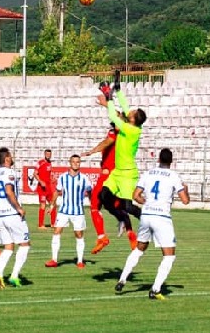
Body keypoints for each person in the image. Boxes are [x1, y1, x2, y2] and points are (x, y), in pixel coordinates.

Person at [114, 148, 190, 300]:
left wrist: (147, 203)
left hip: (146, 215)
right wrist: (185, 189)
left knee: (139, 248)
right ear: (171, 161)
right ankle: (155, 289)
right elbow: (185, 201)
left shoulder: (148, 173)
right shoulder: (174, 176)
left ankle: (122, 279)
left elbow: (136, 195)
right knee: (169, 256)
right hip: (162, 218)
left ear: (158, 160)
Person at [97, 82, 147, 250]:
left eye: (131, 113)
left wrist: (109, 98)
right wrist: (118, 90)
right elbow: (125, 109)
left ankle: (147, 218)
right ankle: (121, 220)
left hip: (127, 174)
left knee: (127, 206)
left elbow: (113, 116)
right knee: (104, 197)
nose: (129, 112)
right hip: (118, 172)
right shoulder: (133, 125)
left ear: (133, 120)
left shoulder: (131, 130)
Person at [0, 147, 30, 289]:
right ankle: (14, 276)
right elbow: (9, 191)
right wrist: (18, 208)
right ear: (7, 158)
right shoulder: (9, 172)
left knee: (8, 247)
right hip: (11, 214)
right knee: (25, 244)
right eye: (10, 156)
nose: (12, 158)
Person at [45, 155, 93, 269]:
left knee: (79, 234)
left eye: (78, 162)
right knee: (56, 231)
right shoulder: (63, 177)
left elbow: (90, 192)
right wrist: (52, 205)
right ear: (70, 163)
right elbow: (57, 191)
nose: (76, 164)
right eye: (74, 162)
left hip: (78, 211)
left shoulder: (84, 178)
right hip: (64, 210)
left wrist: (93, 206)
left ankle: (80, 261)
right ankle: (54, 260)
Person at [80, 123, 117, 254]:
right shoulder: (122, 134)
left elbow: (108, 141)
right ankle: (122, 223)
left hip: (107, 174)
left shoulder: (116, 133)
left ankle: (102, 237)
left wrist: (92, 151)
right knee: (111, 204)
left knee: (94, 205)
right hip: (114, 174)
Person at [36, 149, 57, 230]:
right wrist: (41, 181)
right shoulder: (40, 162)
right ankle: (40, 225)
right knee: (43, 205)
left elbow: (48, 175)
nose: (48, 155)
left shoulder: (50, 163)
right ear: (44, 154)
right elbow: (35, 173)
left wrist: (52, 179)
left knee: (53, 204)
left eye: (49, 154)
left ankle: (53, 223)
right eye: (47, 154)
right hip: (42, 188)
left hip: (48, 187)